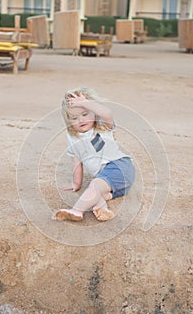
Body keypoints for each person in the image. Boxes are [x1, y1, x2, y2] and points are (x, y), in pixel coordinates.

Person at [53, 86, 135, 222]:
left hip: (120, 167)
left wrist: (85, 103)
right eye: (74, 118)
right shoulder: (73, 138)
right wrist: (76, 183)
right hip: (114, 185)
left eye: (85, 114)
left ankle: (77, 211)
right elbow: (76, 161)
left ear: (93, 113)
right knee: (97, 191)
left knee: (95, 185)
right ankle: (102, 207)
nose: (81, 120)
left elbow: (107, 113)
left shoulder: (102, 127)